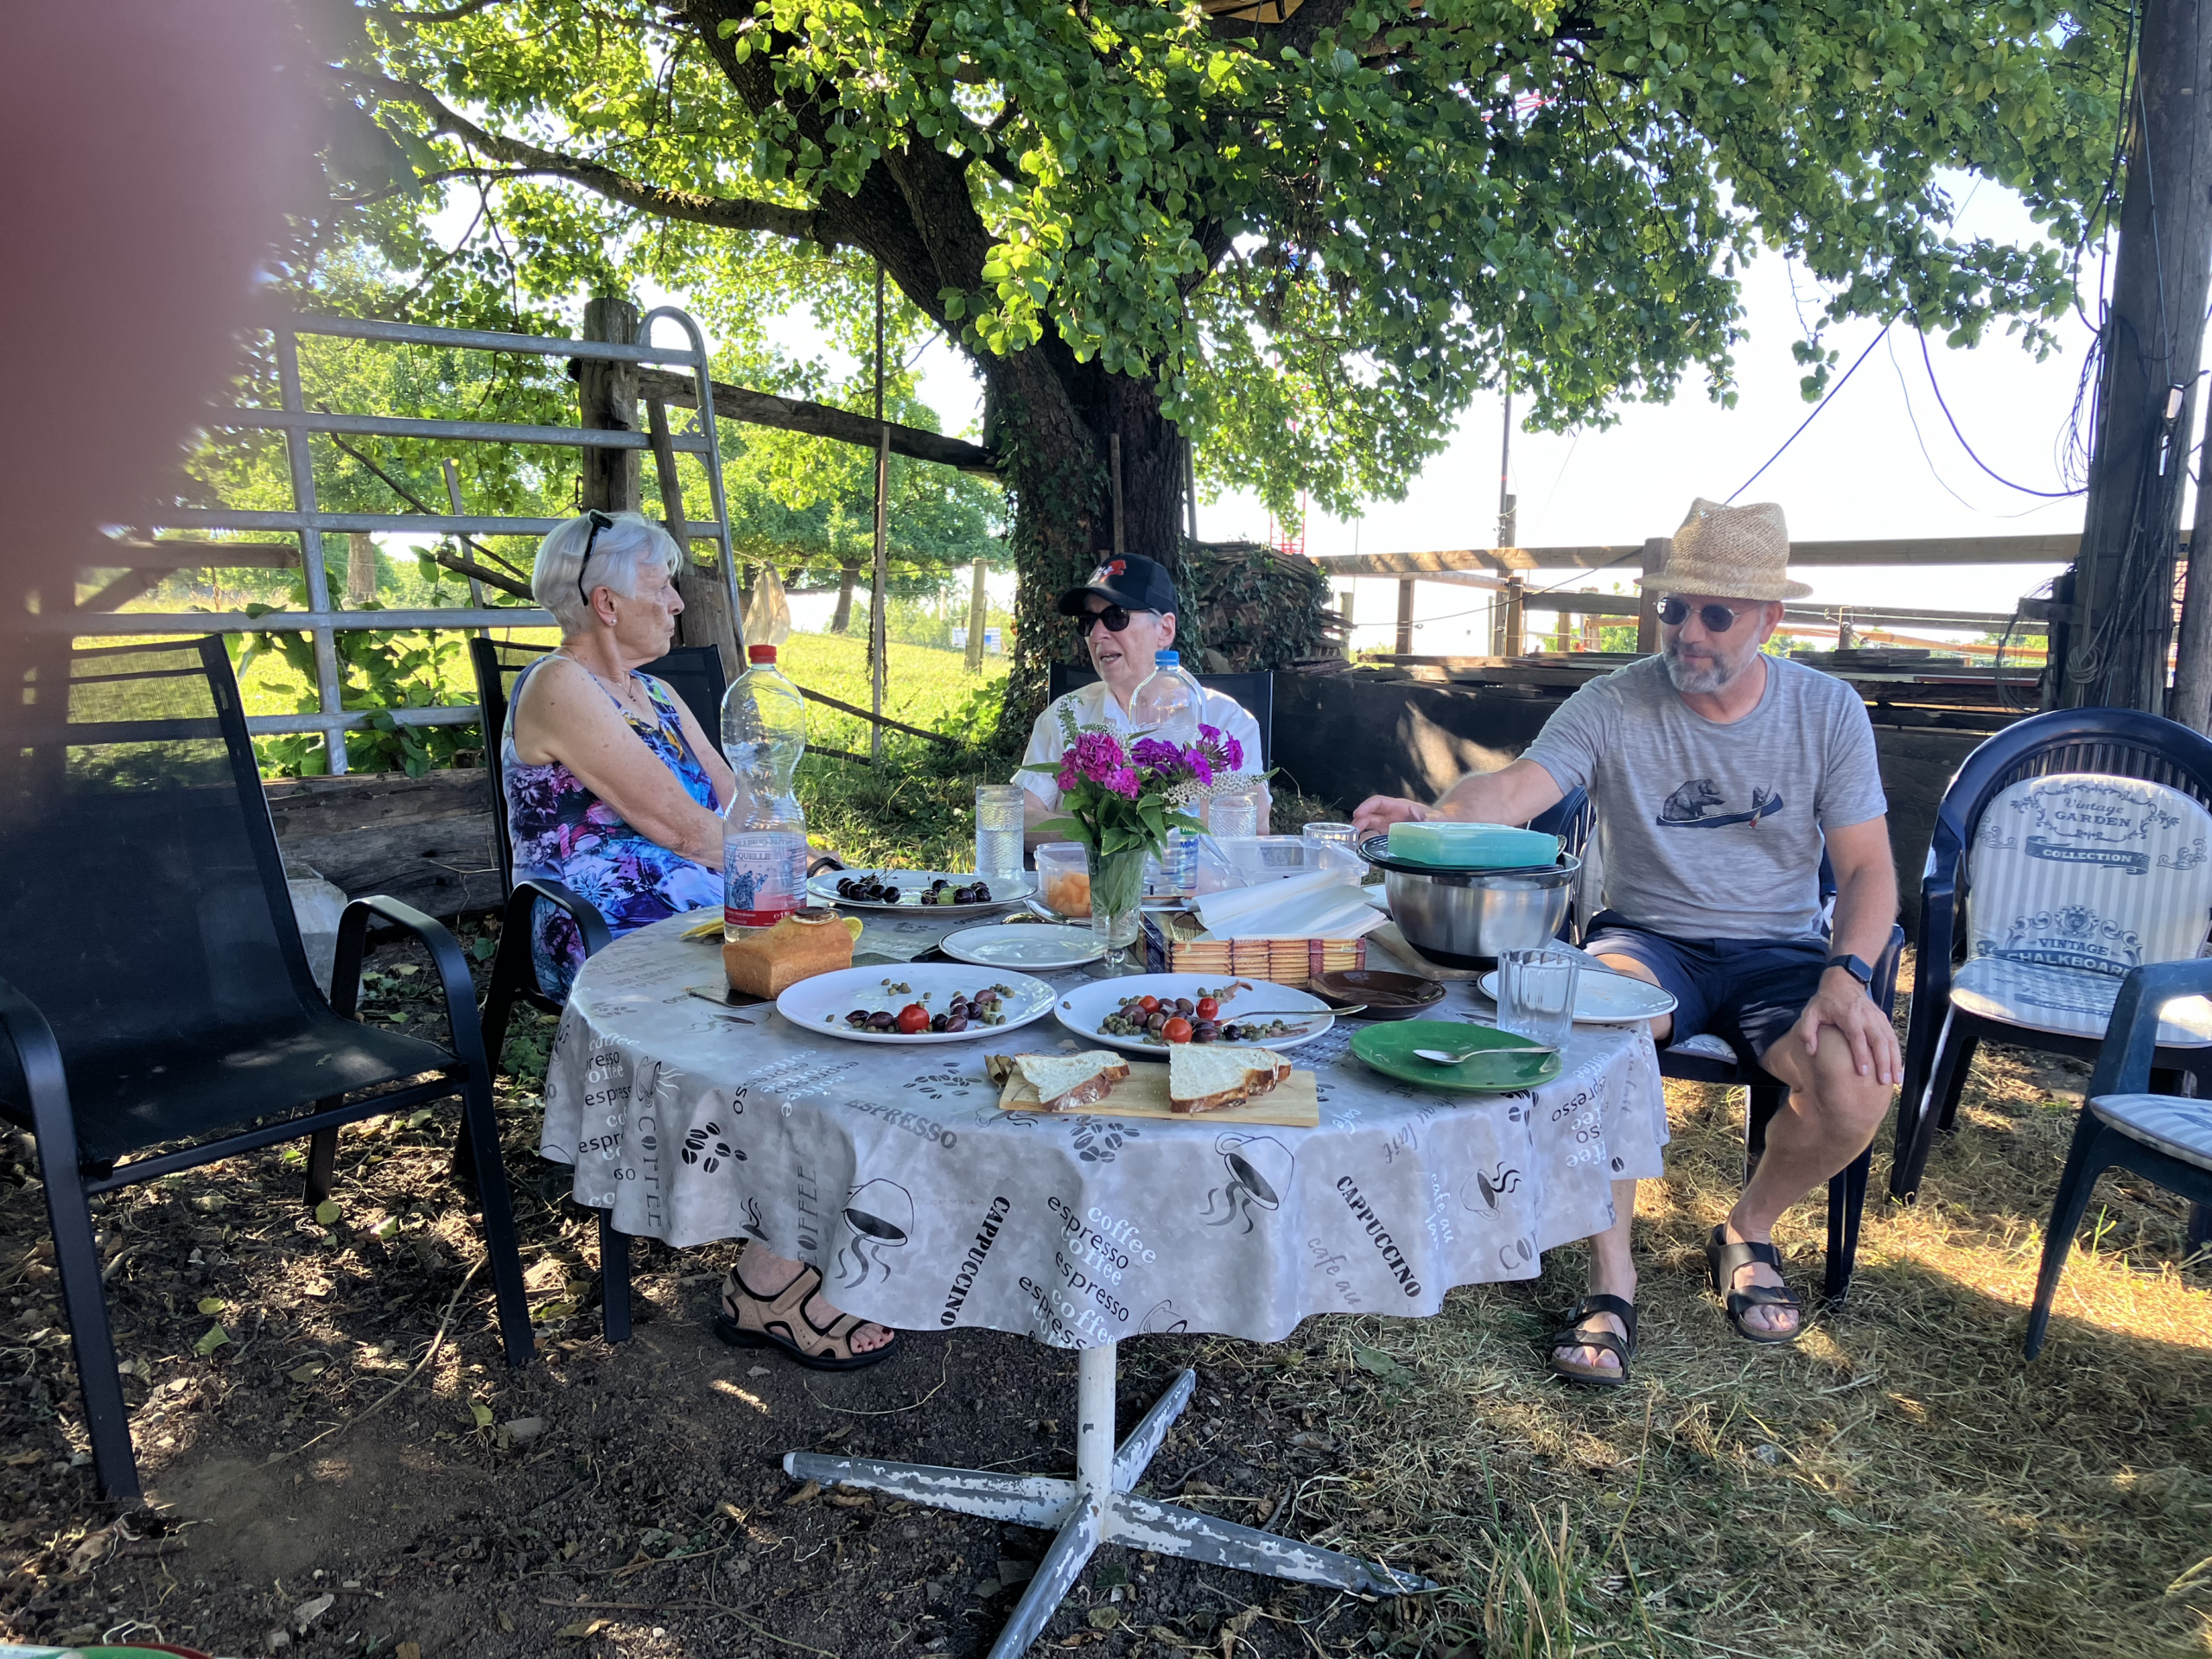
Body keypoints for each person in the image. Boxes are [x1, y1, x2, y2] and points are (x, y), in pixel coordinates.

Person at [1353, 498, 1898, 1384]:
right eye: (1674, 607)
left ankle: (1747, 1227)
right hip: (1649, 940)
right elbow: (1519, 788)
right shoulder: (1612, 702)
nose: (1686, 631)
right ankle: (1614, 1278)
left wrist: (1849, 976)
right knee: (1592, 1029)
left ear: (1770, 619)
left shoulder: (1826, 711)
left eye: (1714, 613)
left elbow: (1869, 869)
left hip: (1784, 953)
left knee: (1858, 1083)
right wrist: (1433, 815)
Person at [510, 510, 897, 1370]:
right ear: (605, 603)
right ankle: (770, 1280)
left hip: (705, 913)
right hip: (605, 934)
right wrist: (787, 871)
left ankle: (798, 1236)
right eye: (662, 588)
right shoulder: (558, 686)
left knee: (860, 972)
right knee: (808, 1002)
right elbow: (679, 828)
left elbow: (737, 808)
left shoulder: (662, 696)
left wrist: (818, 864)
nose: (679, 604)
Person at [1016, 553, 1268, 844]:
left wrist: (1123, 822)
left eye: (1116, 616)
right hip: (1088, 888)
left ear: (1165, 630)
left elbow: (1252, 822)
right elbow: (1019, 816)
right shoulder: (1068, 714)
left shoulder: (1227, 721)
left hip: (1199, 888)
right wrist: (1111, 829)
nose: (1097, 634)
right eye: (1088, 621)